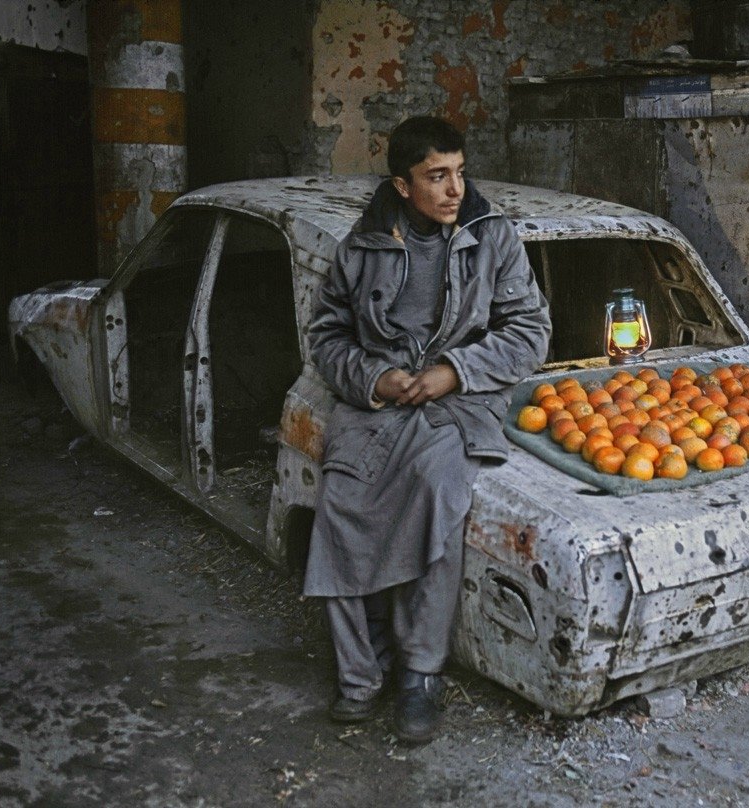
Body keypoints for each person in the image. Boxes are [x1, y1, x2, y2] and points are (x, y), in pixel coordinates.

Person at [303, 116, 551, 744]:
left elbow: (530, 331)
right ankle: (361, 673)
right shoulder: (359, 248)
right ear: (402, 184)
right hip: (376, 407)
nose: (454, 190)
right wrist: (374, 379)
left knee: (440, 495)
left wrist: (454, 371)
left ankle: (419, 673)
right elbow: (327, 338)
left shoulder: (492, 238)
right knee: (339, 504)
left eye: (460, 173)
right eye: (436, 177)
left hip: (457, 405)